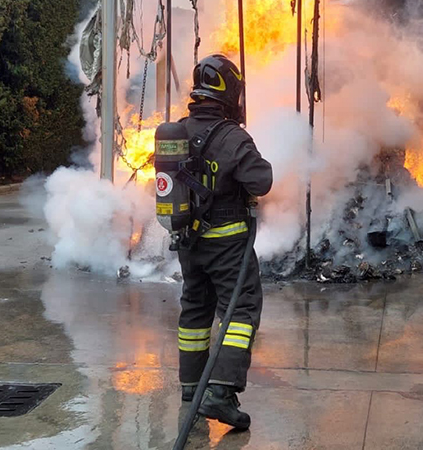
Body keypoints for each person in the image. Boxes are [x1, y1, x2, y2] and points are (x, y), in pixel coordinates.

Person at [176, 54, 273, 430]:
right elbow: (261, 181)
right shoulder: (233, 137)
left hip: (187, 243)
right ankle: (219, 393)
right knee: (241, 311)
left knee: (195, 312)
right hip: (228, 243)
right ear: (230, 92)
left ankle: (191, 388)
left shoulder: (177, 131)